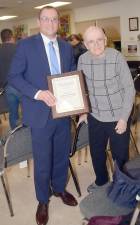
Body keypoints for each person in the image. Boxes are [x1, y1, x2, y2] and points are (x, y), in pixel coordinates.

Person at [8, 6, 77, 225]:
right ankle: (42, 200)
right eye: (45, 19)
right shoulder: (26, 46)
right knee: (43, 160)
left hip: (63, 112)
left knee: (60, 156)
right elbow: (14, 77)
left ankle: (59, 189)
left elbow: (71, 75)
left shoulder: (66, 47)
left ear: (59, 22)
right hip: (39, 114)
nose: (50, 23)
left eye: (54, 19)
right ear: (39, 21)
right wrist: (38, 94)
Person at [77, 26, 135, 193]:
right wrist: (83, 111)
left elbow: (129, 89)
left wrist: (124, 117)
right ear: (85, 44)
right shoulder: (82, 59)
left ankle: (121, 185)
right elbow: (80, 87)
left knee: (120, 156)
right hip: (95, 115)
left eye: (99, 40)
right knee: (97, 153)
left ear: (105, 39)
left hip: (118, 116)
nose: (96, 45)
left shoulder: (116, 57)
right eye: (91, 42)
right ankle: (101, 181)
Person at [0, 29, 21, 130]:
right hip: (21, 85)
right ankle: (27, 135)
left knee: (13, 113)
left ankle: (14, 135)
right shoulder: (19, 48)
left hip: (7, 87)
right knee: (28, 111)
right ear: (12, 36)